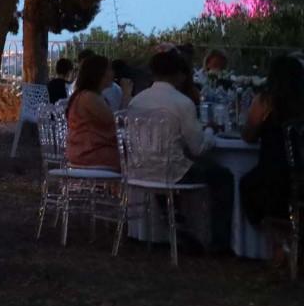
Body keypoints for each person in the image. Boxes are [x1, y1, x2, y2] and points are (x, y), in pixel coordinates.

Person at [127, 49, 233, 253]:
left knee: (171, 164)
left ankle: (178, 225)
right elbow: (198, 148)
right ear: (179, 74)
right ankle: (220, 241)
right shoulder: (182, 103)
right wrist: (210, 130)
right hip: (171, 172)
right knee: (222, 176)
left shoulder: (136, 101)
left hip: (139, 168)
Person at [240, 55, 304, 230]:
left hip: (272, 181)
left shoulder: (265, 102)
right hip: (298, 181)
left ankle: (270, 238)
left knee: (246, 184)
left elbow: (248, 136)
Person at [64, 54, 119, 171]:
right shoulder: (89, 98)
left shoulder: (89, 96)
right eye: (109, 69)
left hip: (84, 152)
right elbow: (117, 124)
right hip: (90, 154)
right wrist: (127, 96)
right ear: (99, 73)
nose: (113, 73)